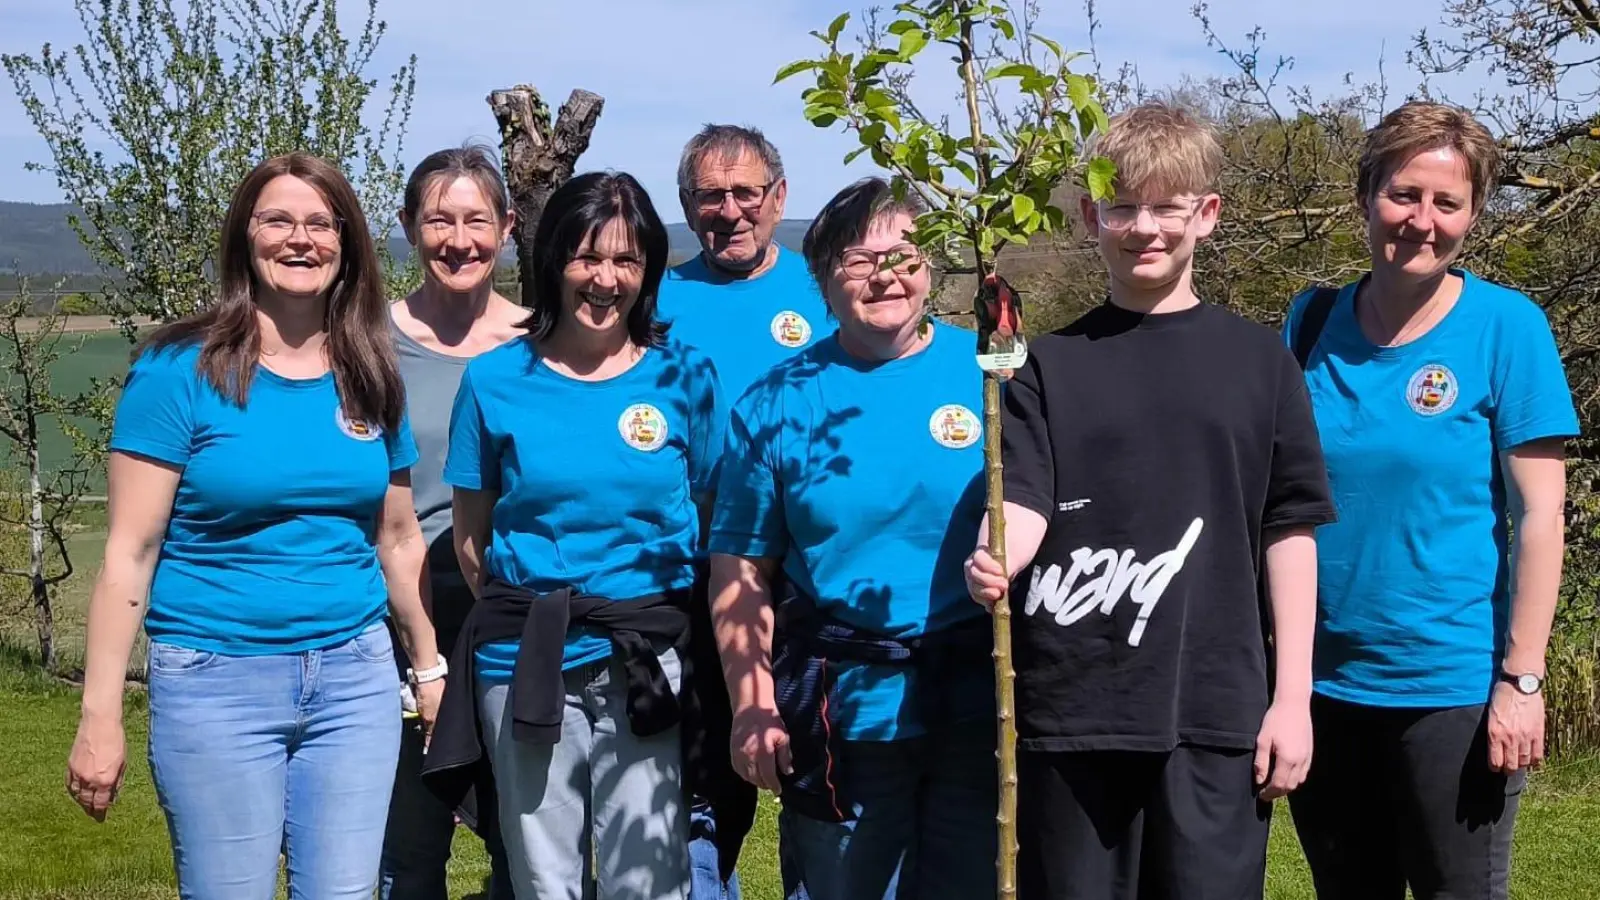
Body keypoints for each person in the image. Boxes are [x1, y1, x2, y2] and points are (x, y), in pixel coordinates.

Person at [963, 101, 1336, 899]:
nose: (1145, 228)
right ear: (1092, 216)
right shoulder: (1046, 366)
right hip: (1073, 713)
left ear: (1207, 215)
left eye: (1168, 207)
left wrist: (1292, 699)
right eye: (1123, 207)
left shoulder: (1262, 364)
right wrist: (999, 554)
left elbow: (1291, 529)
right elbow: (1024, 495)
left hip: (1216, 712)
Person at [64, 152, 442, 899]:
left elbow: (397, 537)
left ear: (347, 241)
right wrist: (98, 715)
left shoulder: (371, 367)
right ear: (246, 236)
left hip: (355, 681)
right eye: (278, 220)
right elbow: (129, 556)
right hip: (215, 683)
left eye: (319, 223)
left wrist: (427, 670)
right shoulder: (178, 369)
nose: (299, 239)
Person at [1281, 101, 1578, 900]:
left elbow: (1541, 518)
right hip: (1322, 686)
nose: (1421, 220)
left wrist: (1521, 681)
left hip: (1451, 689)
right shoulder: (1307, 325)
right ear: (1364, 196)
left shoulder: (1506, 328)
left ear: (1473, 215)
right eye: (1403, 194)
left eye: (1447, 203)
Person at [420, 170, 736, 900]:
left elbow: (711, 515)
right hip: (523, 661)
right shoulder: (496, 380)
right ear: (554, 260)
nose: (605, 278)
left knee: (649, 878)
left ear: (648, 270)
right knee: (542, 878)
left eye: (626, 260)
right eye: (586, 257)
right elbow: (472, 540)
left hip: (648, 658)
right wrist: (538, 611)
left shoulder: (686, 377)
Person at [710, 176, 998, 899]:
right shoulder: (776, 402)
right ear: (823, 281)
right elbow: (742, 566)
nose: (885, 276)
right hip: (847, 711)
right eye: (858, 261)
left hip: (976, 699)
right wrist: (752, 702)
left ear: (931, 265)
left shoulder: (990, 375)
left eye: (904, 254)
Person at [658, 123, 830, 900]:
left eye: (745, 193)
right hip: (690, 578)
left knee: (818, 775)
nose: (729, 211)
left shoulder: (826, 289)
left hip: (809, 580)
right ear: (687, 207)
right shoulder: (654, 301)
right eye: (709, 196)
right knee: (701, 787)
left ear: (778, 198)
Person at [380, 144, 524, 900]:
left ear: (506, 227)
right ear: (409, 226)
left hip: (511, 614)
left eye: (477, 219)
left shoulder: (544, 342)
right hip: (395, 614)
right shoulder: (367, 343)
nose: (458, 239)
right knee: (408, 845)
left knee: (524, 840)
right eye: (438, 219)